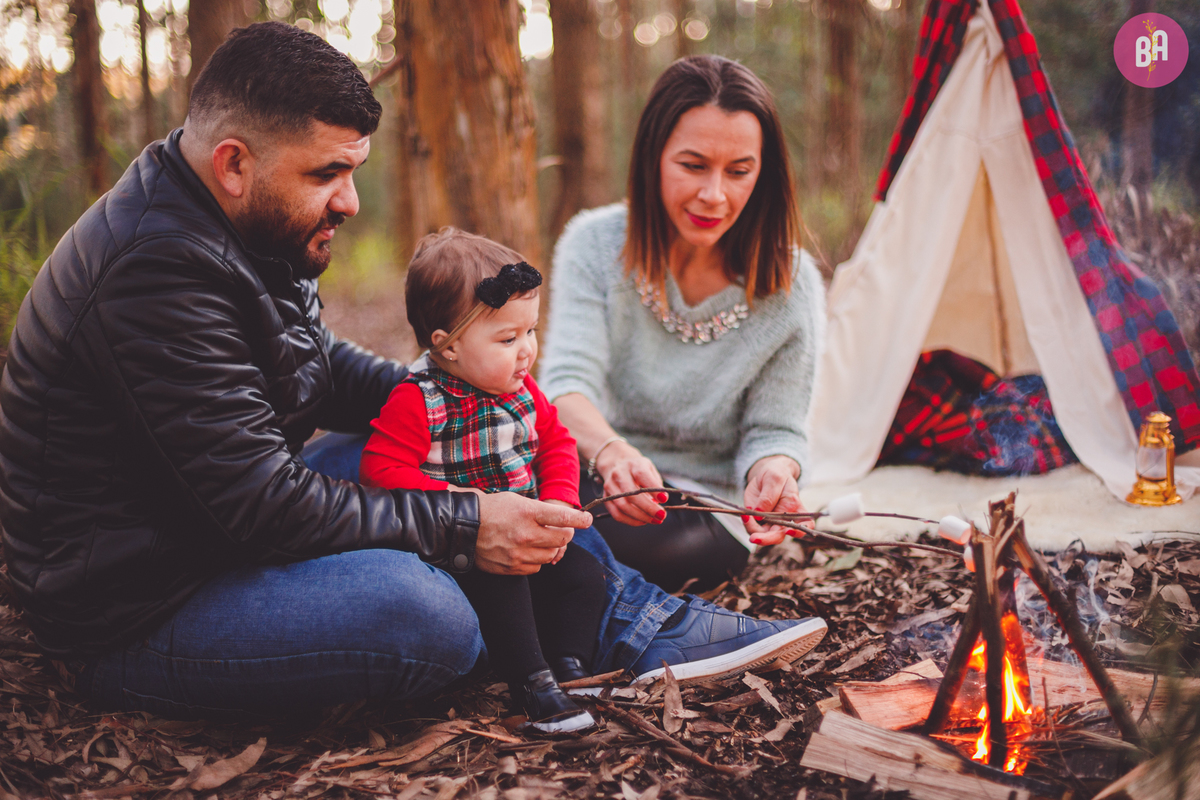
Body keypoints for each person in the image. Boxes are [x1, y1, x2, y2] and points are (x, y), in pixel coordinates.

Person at [0, 23, 825, 718]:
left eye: (352, 170)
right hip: (143, 601)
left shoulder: (231, 220)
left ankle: (625, 622)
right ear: (234, 162)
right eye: (327, 174)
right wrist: (468, 522)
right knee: (426, 618)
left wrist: (468, 410)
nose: (351, 201)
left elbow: (319, 370)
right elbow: (262, 508)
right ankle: (577, 627)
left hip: (207, 520)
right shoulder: (155, 271)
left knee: (463, 458)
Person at [542, 55, 825, 593]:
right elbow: (565, 385)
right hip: (596, 473)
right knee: (528, 500)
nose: (714, 195)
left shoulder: (792, 283)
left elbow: (776, 429)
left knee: (581, 536)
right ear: (653, 158)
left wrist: (773, 471)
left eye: (738, 171)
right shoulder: (594, 244)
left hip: (703, 511)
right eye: (693, 165)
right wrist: (613, 454)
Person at [359, 230, 604, 732]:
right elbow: (380, 472)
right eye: (507, 339)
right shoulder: (418, 400)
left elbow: (556, 443)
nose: (527, 351)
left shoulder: (522, 388)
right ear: (446, 347)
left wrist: (558, 500)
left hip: (523, 532)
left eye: (531, 331)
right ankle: (533, 688)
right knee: (505, 588)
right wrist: (460, 504)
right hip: (459, 550)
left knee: (585, 576)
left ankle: (571, 665)